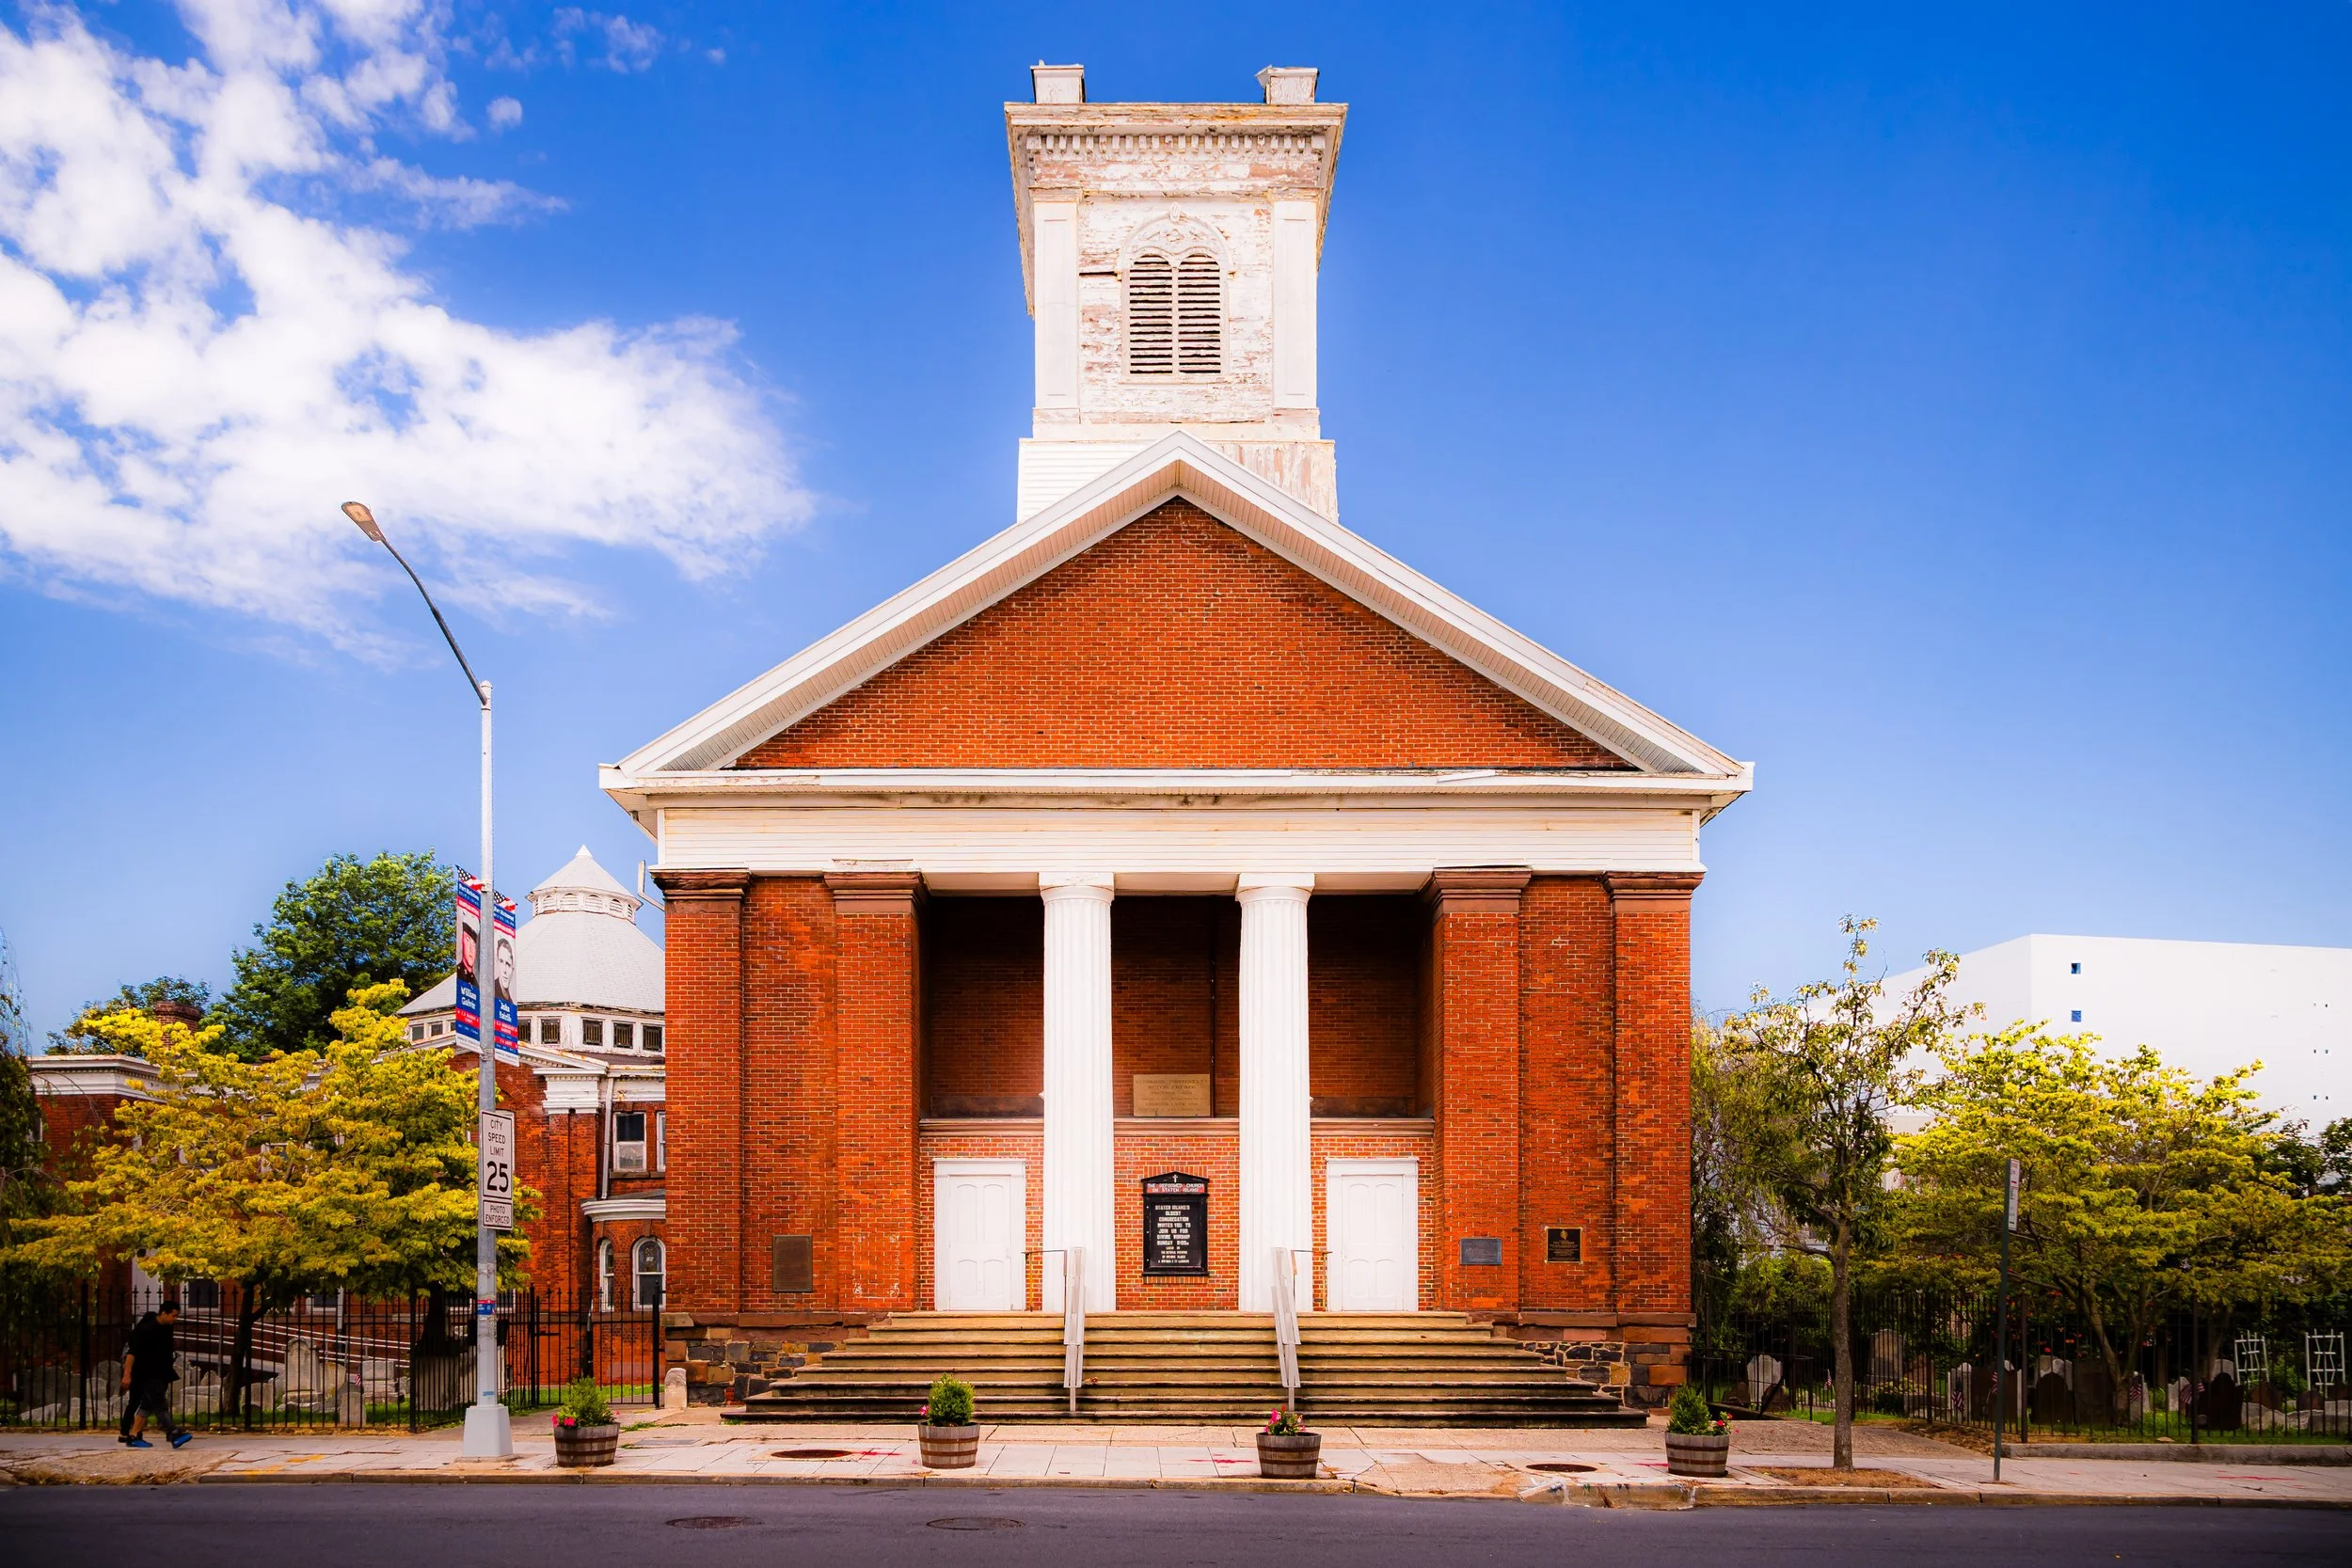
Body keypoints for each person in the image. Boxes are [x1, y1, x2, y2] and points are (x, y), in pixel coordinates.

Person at [120, 1297, 191, 1449]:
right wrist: (127, 1374)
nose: (175, 1318)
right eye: (173, 1315)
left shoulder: (167, 1328)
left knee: (146, 1406)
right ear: (163, 1313)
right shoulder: (146, 1330)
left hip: (161, 1372)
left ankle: (133, 1436)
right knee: (159, 1404)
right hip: (147, 1373)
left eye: (177, 1315)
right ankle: (174, 1432)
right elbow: (132, 1353)